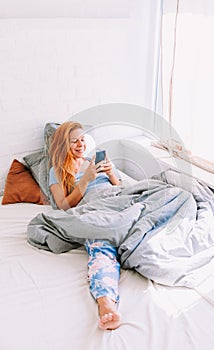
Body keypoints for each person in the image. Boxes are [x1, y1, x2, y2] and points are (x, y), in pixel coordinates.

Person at [49, 121, 122, 330]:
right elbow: (63, 206)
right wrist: (86, 180)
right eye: (74, 141)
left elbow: (121, 188)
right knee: (101, 243)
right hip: (93, 210)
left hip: (117, 200)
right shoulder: (57, 171)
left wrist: (110, 174)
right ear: (64, 145)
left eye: (82, 139)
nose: (81, 145)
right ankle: (106, 302)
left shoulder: (94, 160)